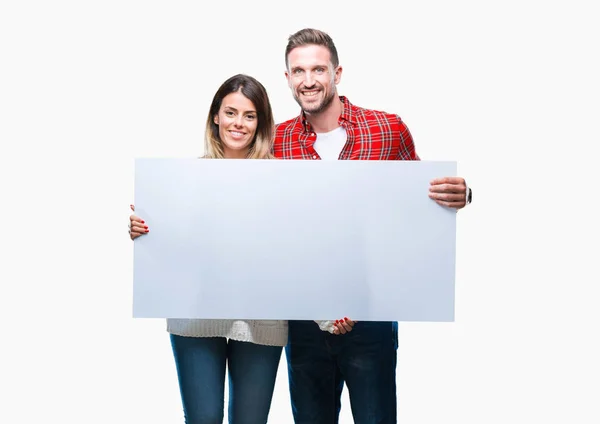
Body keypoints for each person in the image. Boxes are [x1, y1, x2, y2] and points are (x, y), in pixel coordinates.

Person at [273, 28, 472, 424]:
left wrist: (461, 195)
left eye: (318, 69)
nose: (308, 80)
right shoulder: (277, 141)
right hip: (305, 319)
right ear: (287, 78)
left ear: (337, 73)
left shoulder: (386, 128)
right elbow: (243, 208)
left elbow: (420, 201)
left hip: (372, 312)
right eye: (298, 71)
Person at [128, 74, 288, 424]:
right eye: (231, 112)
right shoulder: (183, 178)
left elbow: (297, 249)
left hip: (260, 317)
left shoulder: (282, 178)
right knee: (202, 419)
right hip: (197, 315)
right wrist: (146, 232)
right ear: (216, 116)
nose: (238, 123)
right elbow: (174, 246)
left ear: (260, 123)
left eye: (249, 115)